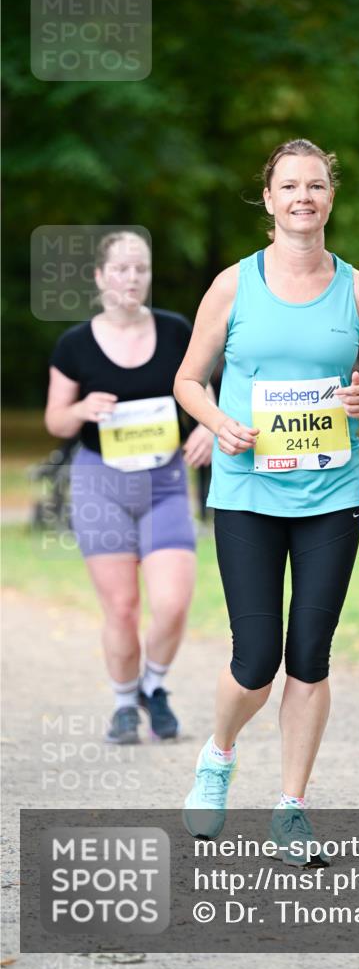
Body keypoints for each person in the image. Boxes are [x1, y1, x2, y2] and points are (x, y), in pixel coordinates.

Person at [174, 139, 359, 857]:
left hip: (333, 493)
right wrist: (218, 423)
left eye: (317, 186)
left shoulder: (358, 290)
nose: (304, 197)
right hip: (246, 493)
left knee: (310, 655)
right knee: (255, 658)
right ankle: (218, 753)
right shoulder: (233, 286)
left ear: (330, 198)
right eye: (289, 186)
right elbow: (187, 380)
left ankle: (291, 807)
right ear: (268, 200)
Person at [45, 231, 214, 744]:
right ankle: (123, 705)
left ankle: (153, 686)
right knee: (121, 607)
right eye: (120, 269)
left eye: (140, 268)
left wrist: (207, 426)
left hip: (164, 481)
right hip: (101, 484)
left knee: (173, 603)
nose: (131, 278)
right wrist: (80, 409)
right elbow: (55, 420)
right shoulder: (74, 344)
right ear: (99, 277)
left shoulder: (175, 330)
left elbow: (203, 392)